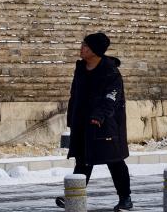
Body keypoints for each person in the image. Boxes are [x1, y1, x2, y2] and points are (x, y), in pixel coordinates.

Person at [56, 32, 132, 211]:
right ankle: (74, 196)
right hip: (83, 123)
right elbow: (75, 95)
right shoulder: (81, 69)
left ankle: (125, 198)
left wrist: (99, 116)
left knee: (114, 160)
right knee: (83, 160)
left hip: (106, 124)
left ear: (95, 50)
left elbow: (112, 97)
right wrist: (72, 117)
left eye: (85, 46)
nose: (81, 48)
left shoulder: (110, 71)